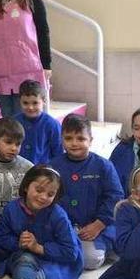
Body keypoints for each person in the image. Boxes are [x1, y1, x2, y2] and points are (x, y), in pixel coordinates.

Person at [0, 166, 83, 279]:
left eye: (50, 194)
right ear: (26, 186)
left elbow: (71, 252)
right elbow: (1, 237)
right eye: (39, 190)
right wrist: (19, 243)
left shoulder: (58, 215)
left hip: (54, 261)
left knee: (42, 277)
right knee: (26, 260)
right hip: (22, 256)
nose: (43, 197)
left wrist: (39, 248)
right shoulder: (12, 208)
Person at [48, 114, 123, 270]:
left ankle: (108, 247)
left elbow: (115, 197)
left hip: (98, 224)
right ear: (62, 140)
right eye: (68, 138)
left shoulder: (104, 166)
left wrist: (99, 224)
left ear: (91, 140)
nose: (74, 143)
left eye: (81, 139)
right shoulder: (53, 166)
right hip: (64, 226)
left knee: (90, 259)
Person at [0, 117, 33, 220]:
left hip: (19, 219)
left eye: (18, 144)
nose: (14, 148)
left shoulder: (28, 168)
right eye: (8, 142)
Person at [15, 80, 62, 164]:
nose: (30, 107)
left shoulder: (52, 124)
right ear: (20, 102)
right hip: (18, 169)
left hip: (42, 171)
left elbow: (58, 151)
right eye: (25, 103)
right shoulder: (14, 122)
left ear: (43, 101)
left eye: (35, 103)